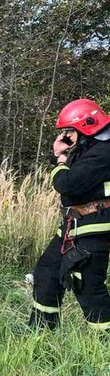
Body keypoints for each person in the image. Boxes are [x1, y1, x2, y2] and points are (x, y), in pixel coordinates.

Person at [28, 98, 110, 332]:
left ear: (85, 126)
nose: (68, 136)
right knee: (47, 273)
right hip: (73, 225)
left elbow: (67, 185)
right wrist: (60, 154)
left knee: (88, 285)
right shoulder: (88, 148)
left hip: (94, 226)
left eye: (71, 131)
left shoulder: (104, 152)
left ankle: (105, 343)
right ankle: (40, 331)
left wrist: (60, 161)